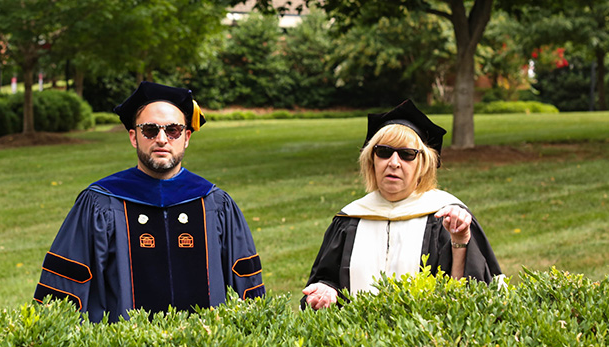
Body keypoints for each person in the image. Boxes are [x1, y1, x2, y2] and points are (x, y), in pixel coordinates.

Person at [34, 81, 265, 322]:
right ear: (134, 137)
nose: (162, 139)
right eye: (150, 130)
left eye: (173, 130)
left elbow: (246, 284)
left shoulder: (215, 203)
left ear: (186, 137)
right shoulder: (100, 203)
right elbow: (64, 287)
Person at [302, 99, 501, 309]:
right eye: (384, 152)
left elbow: (470, 298)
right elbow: (326, 279)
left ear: (423, 164)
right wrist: (326, 290)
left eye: (407, 155)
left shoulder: (446, 216)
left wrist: (460, 241)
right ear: (372, 160)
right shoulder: (350, 219)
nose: (394, 162)